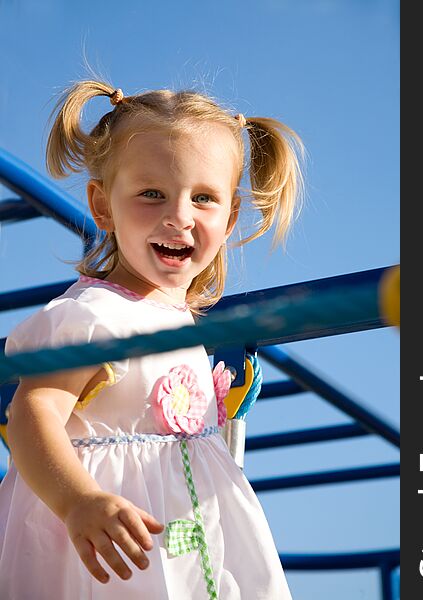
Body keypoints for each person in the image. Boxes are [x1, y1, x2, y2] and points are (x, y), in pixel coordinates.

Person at [0, 80, 304, 599]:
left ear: (229, 218)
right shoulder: (93, 317)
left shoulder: (183, 322)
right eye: (151, 194)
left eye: (203, 198)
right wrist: (78, 501)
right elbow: (33, 413)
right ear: (103, 206)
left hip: (189, 547)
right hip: (106, 552)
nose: (179, 215)